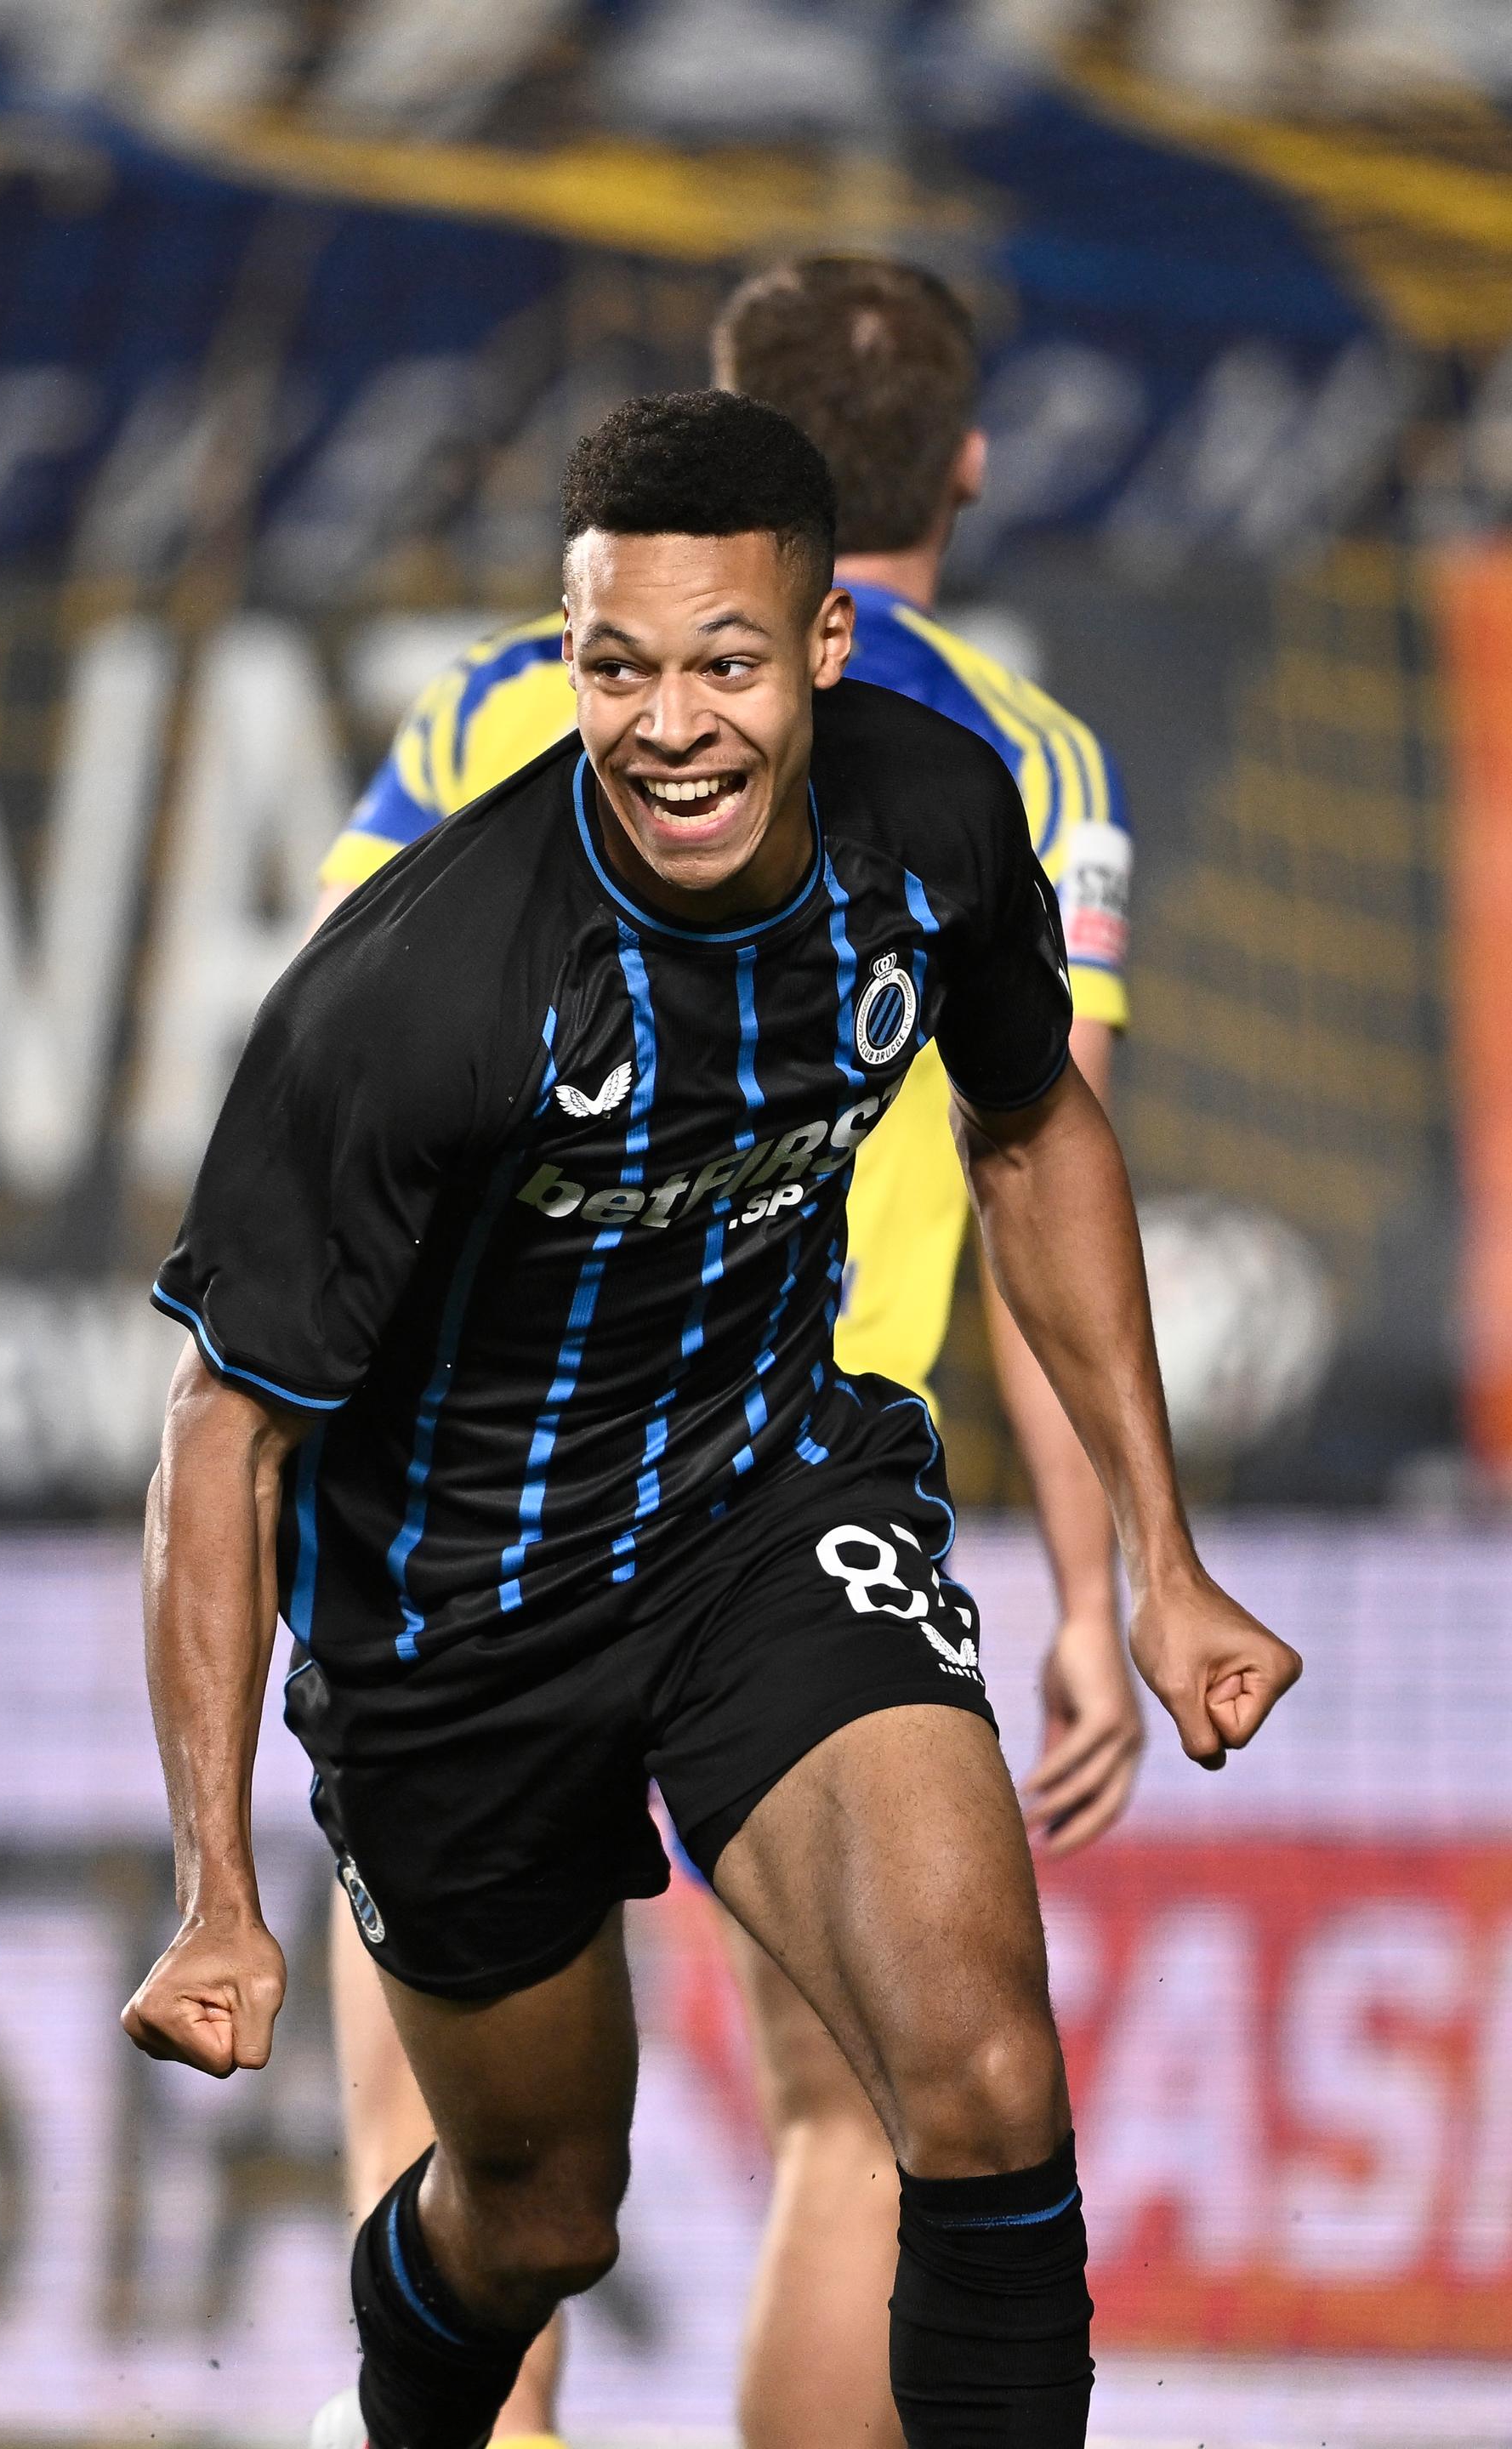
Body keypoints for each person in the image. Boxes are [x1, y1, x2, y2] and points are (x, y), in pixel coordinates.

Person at [123, 389, 1301, 2449]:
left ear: (825, 648)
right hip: (458, 1627)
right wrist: (217, 1885)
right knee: (541, 2216)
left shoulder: (936, 817)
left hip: (769, 1509)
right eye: (617, 666)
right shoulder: (416, 994)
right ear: (568, 653)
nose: (670, 723)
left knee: (991, 2089)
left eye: (726, 663)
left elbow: (1035, 1131)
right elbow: (222, 1443)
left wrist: (1161, 1562)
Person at [310, 259, 1140, 2449]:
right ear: (965, 466)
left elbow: (319, 1098)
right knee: (858, 2124)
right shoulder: (1020, 757)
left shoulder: (499, 701)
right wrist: (1108, 1588)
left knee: (476, 2161)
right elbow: (1045, 1141)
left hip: (475, 1513)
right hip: (789, 1506)